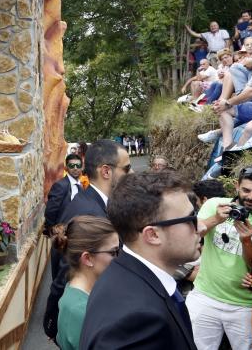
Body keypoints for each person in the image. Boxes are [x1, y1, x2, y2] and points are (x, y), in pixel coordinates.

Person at [79, 172, 202, 349]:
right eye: (191, 219)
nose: (201, 226)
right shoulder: (139, 322)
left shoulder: (120, 274)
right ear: (152, 235)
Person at [43, 139, 131, 340]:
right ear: (106, 171)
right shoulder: (89, 211)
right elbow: (67, 270)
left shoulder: (93, 201)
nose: (131, 174)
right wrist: (53, 322)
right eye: (126, 169)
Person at [186, 166, 252, 349]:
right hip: (204, 296)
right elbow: (192, 235)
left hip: (244, 305)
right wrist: (216, 219)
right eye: (246, 190)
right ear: (236, 186)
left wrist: (246, 240)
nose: (250, 197)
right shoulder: (214, 204)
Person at [55, 216, 119, 350]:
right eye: (114, 252)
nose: (119, 258)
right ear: (87, 258)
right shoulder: (80, 312)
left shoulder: (82, 290)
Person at [199, 38, 252, 152]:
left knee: (251, 127)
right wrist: (222, 104)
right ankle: (228, 146)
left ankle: (235, 155)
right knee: (222, 108)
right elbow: (245, 92)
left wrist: (228, 102)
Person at [45, 154, 86, 279]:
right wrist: (55, 232)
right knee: (60, 273)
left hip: (76, 235)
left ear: (82, 167)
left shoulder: (80, 186)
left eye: (78, 165)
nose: (75, 168)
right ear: (66, 167)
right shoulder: (60, 185)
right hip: (62, 236)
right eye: (71, 165)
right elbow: (50, 212)